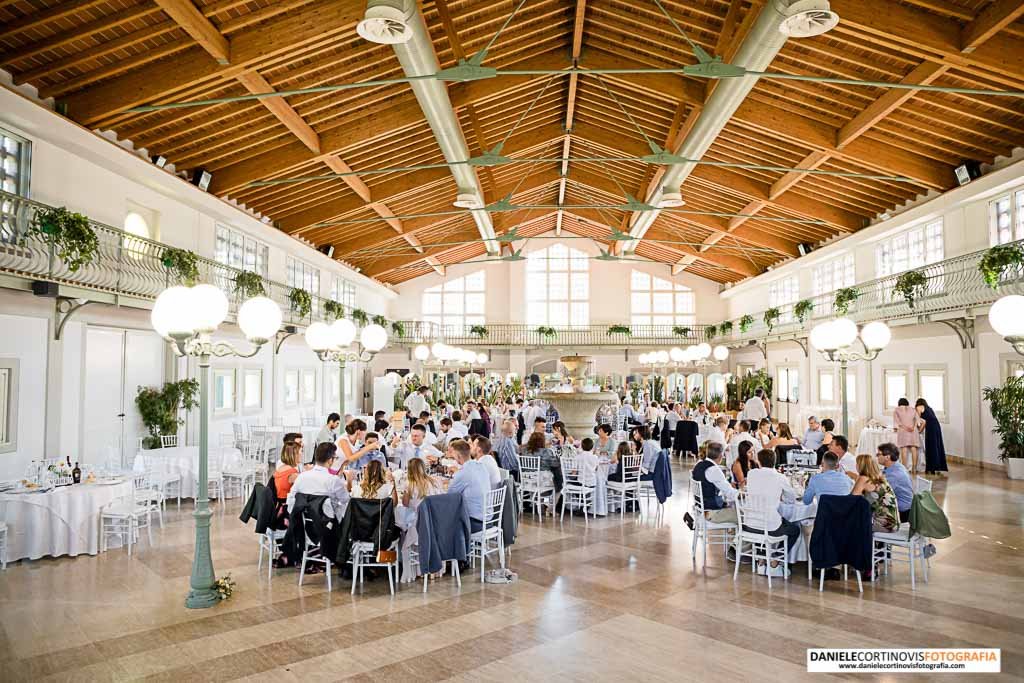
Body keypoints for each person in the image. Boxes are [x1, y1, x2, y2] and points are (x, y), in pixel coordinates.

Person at [743, 449, 799, 577]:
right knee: (795, 530)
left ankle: (761, 561)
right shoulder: (780, 477)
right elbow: (791, 498)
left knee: (760, 522)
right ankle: (775, 560)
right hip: (770, 527)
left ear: (759, 461)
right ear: (775, 461)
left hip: (749, 525)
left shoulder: (752, 474)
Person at [287, 442, 350, 520]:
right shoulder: (334, 480)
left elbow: (290, 501)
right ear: (330, 460)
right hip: (328, 527)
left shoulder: (301, 477)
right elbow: (346, 501)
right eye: (335, 458)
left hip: (304, 526)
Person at [446, 439, 491, 532]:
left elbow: (449, 495)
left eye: (453, 454)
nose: (452, 457)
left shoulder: (463, 472)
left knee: (443, 520)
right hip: (488, 518)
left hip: (475, 522)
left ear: (458, 455)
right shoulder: (481, 466)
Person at [690, 441, 738, 523]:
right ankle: (739, 535)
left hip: (700, 508)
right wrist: (743, 494)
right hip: (712, 512)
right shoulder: (714, 470)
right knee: (743, 515)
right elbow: (729, 492)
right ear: (721, 455)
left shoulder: (699, 464)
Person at [852, 453, 899, 533]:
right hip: (893, 523)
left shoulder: (863, 479)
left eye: (857, 463)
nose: (855, 465)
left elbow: (851, 499)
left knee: (849, 523)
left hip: (883, 524)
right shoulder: (878, 477)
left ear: (861, 466)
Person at [877, 442, 913, 523]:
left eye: (878, 454)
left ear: (887, 457)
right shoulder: (896, 466)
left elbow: (879, 493)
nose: (877, 457)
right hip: (903, 507)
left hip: (902, 514)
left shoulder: (895, 474)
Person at [525, 431, 562, 503]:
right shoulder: (546, 452)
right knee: (560, 482)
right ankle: (550, 507)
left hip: (528, 480)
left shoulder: (526, 452)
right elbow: (555, 464)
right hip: (542, 481)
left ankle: (542, 504)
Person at [916, 398, 948, 475]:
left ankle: (931, 468)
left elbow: (919, 422)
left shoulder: (918, 407)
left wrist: (918, 430)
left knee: (930, 447)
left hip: (931, 428)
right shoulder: (929, 408)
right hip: (937, 427)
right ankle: (937, 467)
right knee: (937, 446)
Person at [893, 397, 920, 474]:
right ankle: (914, 468)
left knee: (904, 449)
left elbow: (898, 422)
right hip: (913, 431)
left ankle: (904, 469)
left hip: (903, 431)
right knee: (914, 448)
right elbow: (917, 420)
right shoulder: (913, 409)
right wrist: (913, 428)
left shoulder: (896, 410)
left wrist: (906, 428)